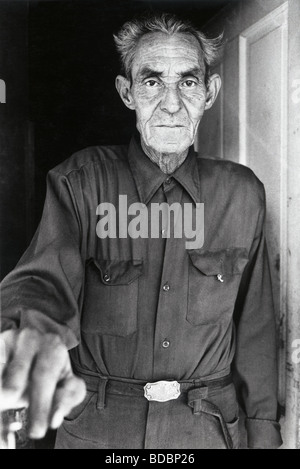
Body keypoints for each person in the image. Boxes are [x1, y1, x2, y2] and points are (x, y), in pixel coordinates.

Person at [0, 12, 282, 449]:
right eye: (152, 82)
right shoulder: (81, 182)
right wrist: (26, 334)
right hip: (99, 429)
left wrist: (263, 432)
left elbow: (257, 326)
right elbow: (43, 281)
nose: (171, 103)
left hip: (206, 430)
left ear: (210, 93)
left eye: (188, 82)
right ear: (127, 92)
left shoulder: (241, 194)